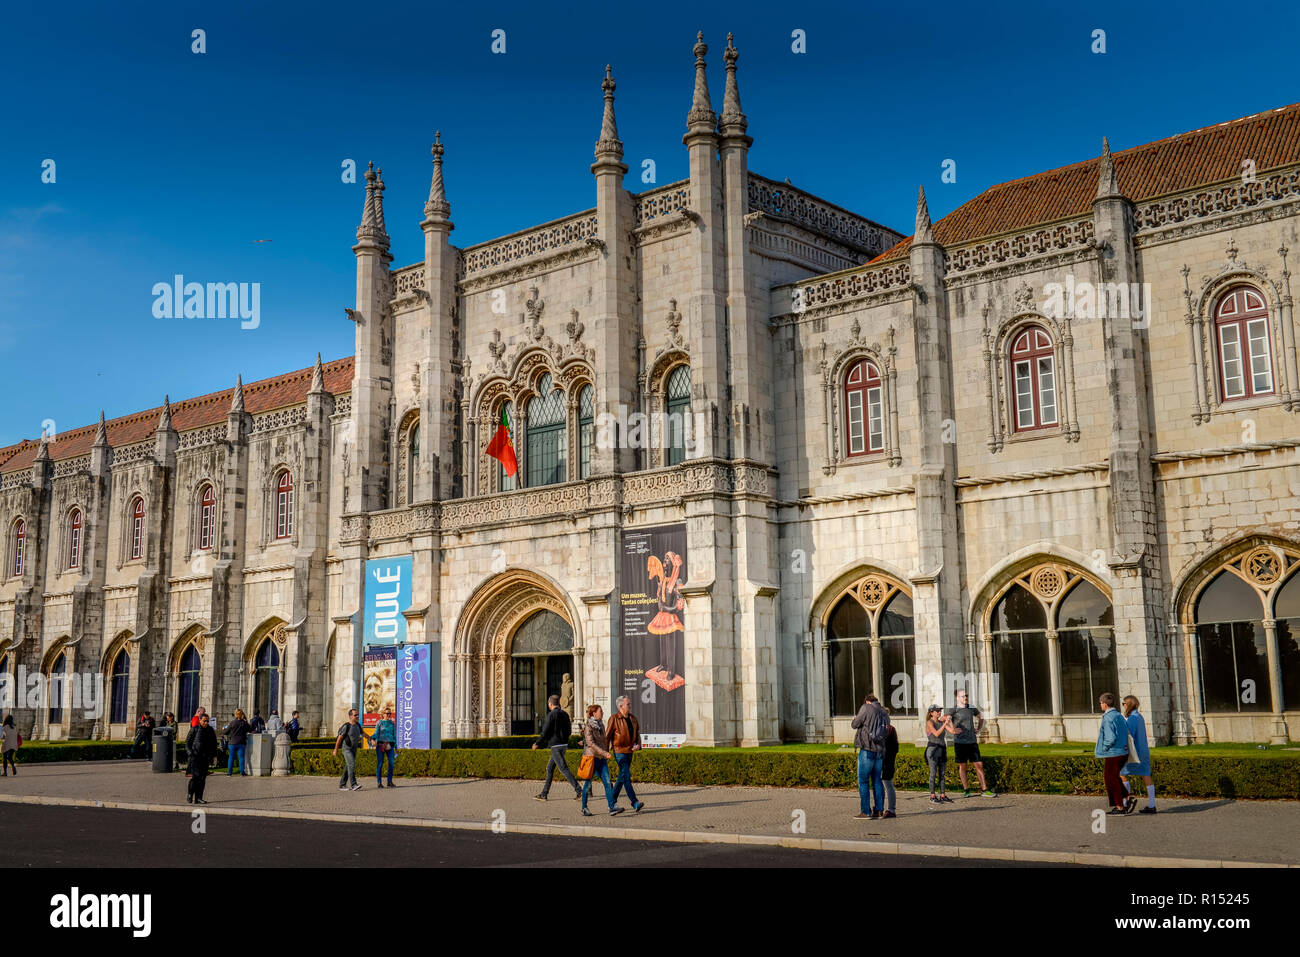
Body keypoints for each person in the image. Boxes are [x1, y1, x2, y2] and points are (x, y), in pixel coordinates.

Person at [532, 694, 580, 801]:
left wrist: (537, 743)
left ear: (550, 704)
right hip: (563, 744)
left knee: (563, 769)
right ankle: (544, 794)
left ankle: (579, 790)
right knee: (549, 768)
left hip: (555, 745)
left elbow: (545, 731)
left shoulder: (551, 715)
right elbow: (569, 731)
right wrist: (565, 740)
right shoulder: (565, 714)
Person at [947, 689, 994, 796]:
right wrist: (952, 730)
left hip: (972, 741)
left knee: (979, 765)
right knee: (963, 766)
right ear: (957, 698)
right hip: (960, 743)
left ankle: (984, 789)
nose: (965, 698)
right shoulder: (953, 710)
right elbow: (945, 719)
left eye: (966, 695)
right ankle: (966, 790)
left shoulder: (971, 707)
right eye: (963, 696)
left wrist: (978, 728)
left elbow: (980, 717)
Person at [850, 693, 889, 819]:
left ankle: (866, 811)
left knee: (863, 781)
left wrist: (855, 718)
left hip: (867, 748)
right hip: (880, 750)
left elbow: (855, 724)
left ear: (867, 701)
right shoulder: (884, 711)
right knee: (877, 780)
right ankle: (879, 810)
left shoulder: (866, 708)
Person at [578, 704, 621, 816]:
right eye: (600, 711)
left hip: (601, 759)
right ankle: (584, 807)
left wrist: (607, 749)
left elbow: (603, 740)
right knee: (587, 784)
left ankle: (612, 807)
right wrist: (604, 752)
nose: (602, 713)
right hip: (592, 759)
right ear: (594, 713)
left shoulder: (601, 724)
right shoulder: (588, 726)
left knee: (607, 783)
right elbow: (591, 743)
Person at [606, 695, 644, 812]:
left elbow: (637, 734)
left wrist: (638, 744)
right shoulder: (614, 718)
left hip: (630, 751)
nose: (630, 706)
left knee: (621, 778)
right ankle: (634, 802)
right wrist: (605, 753)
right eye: (628, 704)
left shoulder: (633, 718)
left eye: (630, 704)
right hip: (619, 752)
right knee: (626, 777)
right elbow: (607, 737)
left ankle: (611, 802)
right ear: (620, 706)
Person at [1096, 692, 1131, 814]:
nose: (1100, 705)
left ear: (1104, 704)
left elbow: (1110, 738)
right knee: (1113, 778)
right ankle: (1125, 798)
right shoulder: (1118, 715)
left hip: (1113, 752)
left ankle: (1120, 806)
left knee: (1110, 779)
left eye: (1101, 703)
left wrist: (1104, 748)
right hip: (1122, 751)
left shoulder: (1108, 717)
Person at [1121, 695, 1156, 814]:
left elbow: (1128, 735)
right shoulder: (1139, 717)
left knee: (1122, 774)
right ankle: (1152, 805)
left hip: (1134, 752)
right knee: (1146, 775)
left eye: (1124, 703)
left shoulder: (1132, 718)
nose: (1123, 706)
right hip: (1144, 751)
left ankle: (1126, 802)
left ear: (1128, 705)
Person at [924, 706, 956, 805]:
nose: (939, 712)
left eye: (940, 711)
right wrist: (945, 723)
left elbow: (953, 731)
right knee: (933, 773)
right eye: (937, 711)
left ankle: (943, 795)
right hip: (933, 750)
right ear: (931, 713)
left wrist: (949, 721)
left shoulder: (941, 722)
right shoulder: (929, 723)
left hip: (942, 750)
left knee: (942, 774)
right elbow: (936, 734)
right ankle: (932, 796)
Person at [185, 712, 219, 805]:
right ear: (200, 720)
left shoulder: (210, 730)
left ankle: (199, 798)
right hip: (195, 757)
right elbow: (187, 743)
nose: (206, 723)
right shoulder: (194, 729)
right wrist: (190, 753)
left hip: (205, 758)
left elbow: (214, 744)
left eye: (207, 721)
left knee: (203, 778)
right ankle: (190, 794)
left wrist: (214, 756)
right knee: (195, 778)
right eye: (204, 721)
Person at [333, 708, 364, 791]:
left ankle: (342, 785)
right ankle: (354, 784)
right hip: (346, 749)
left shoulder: (358, 725)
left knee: (348, 766)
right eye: (355, 715)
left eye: (358, 715)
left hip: (354, 749)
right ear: (350, 716)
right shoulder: (346, 726)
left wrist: (371, 739)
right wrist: (335, 749)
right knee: (352, 764)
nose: (357, 716)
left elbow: (363, 733)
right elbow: (339, 739)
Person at [373, 708, 397, 788]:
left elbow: (394, 735)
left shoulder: (392, 723)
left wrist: (396, 746)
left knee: (391, 763)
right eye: (387, 713)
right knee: (380, 764)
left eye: (390, 713)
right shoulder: (379, 723)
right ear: (383, 714)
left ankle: (389, 782)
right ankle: (379, 783)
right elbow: (376, 733)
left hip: (390, 746)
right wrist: (371, 738)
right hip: (380, 745)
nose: (389, 715)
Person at [881, 717, 899, 819]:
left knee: (888, 784)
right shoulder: (882, 729)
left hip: (887, 761)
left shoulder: (890, 730)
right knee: (882, 785)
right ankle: (881, 808)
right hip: (882, 761)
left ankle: (891, 809)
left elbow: (895, 748)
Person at [225, 709, 251, 776]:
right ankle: (242, 772)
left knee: (231, 758)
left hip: (232, 743)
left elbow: (225, 732)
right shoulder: (244, 723)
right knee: (241, 758)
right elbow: (250, 729)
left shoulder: (232, 722)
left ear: (235, 714)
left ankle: (229, 773)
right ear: (242, 714)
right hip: (241, 742)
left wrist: (225, 729)